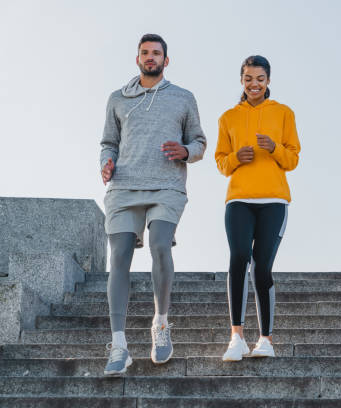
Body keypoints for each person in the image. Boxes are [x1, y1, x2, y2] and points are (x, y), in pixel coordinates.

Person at [99, 33, 206, 375]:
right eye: (145, 53)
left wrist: (187, 151)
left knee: (160, 245)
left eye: (156, 53)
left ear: (165, 60)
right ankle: (119, 344)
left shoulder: (183, 98)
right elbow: (108, 142)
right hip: (124, 187)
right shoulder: (118, 98)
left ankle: (160, 323)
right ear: (137, 59)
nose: (150, 57)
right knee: (119, 257)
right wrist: (107, 162)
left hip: (166, 186)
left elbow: (199, 141)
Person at [215, 55, 300, 361]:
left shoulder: (284, 113)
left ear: (268, 81)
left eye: (260, 79)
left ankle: (265, 339)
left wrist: (273, 148)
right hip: (239, 200)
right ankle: (236, 337)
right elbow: (222, 163)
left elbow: (293, 159)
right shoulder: (228, 118)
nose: (254, 84)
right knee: (238, 258)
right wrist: (238, 157)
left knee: (262, 267)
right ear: (242, 80)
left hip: (274, 201)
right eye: (249, 78)